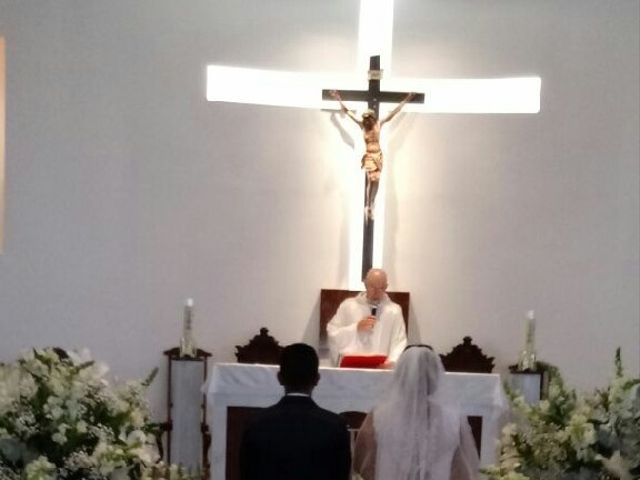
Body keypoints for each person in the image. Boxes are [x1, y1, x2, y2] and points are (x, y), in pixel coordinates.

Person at [353, 345, 480, 480]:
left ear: (399, 376)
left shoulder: (378, 416)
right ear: (436, 377)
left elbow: (364, 464)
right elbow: (461, 472)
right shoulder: (452, 419)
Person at [239, 343, 351, 480]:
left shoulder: (255, 423)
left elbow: (246, 474)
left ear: (279, 378)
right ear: (317, 379)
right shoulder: (336, 426)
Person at [330, 90, 415, 219]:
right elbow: (347, 112)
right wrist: (338, 98)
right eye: (366, 119)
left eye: (369, 118)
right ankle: (368, 204)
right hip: (369, 155)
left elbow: (394, 113)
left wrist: (407, 99)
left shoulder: (378, 124)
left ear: (372, 117)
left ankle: (372, 203)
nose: (367, 120)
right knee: (371, 179)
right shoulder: (362, 125)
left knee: (377, 180)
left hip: (378, 155)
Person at [327, 268, 407, 368]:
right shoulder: (348, 306)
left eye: (381, 288)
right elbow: (332, 333)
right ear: (365, 284)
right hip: (352, 369)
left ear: (386, 287)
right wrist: (355, 328)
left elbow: (399, 341)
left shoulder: (394, 311)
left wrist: (391, 362)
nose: (376, 292)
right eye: (372, 287)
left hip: (382, 370)